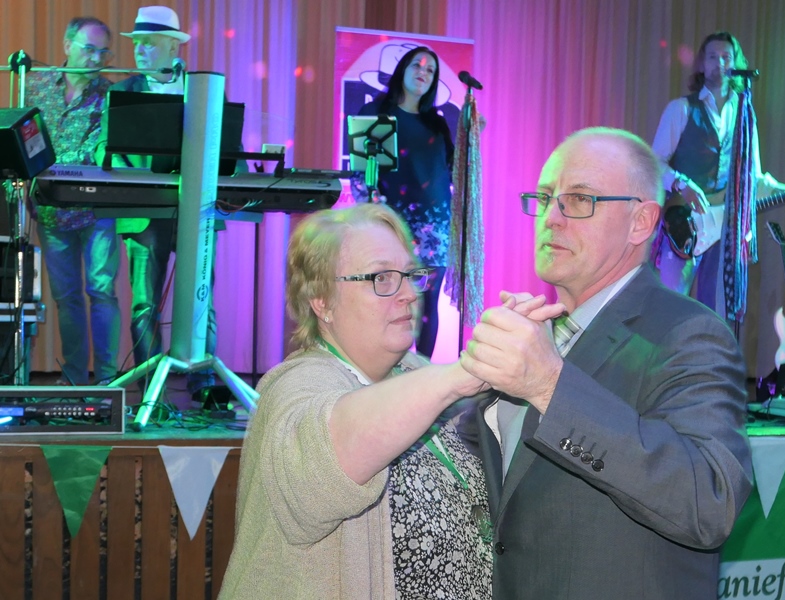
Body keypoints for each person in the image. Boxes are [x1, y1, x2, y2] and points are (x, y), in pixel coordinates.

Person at [459, 127, 753, 599]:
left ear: (641, 222)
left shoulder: (689, 333)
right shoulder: (539, 333)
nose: (552, 218)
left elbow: (709, 503)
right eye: (545, 197)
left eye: (580, 200)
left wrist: (549, 385)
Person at [218, 203, 492, 599]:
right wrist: (459, 375)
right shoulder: (295, 383)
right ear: (322, 301)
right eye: (382, 278)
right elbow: (323, 468)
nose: (408, 294)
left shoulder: (412, 371)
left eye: (410, 275)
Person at [94, 6, 217, 403]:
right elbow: (104, 147)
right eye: (138, 43)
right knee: (146, 303)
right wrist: (120, 167)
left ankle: (204, 386)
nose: (140, 50)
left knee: (201, 299)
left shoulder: (202, 87)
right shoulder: (124, 91)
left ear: (172, 47)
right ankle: (151, 388)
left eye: (149, 43)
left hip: (196, 210)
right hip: (144, 211)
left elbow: (222, 143)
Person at [652, 31, 785, 314]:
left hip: (722, 229)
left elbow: (754, 177)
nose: (719, 63)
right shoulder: (681, 109)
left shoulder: (744, 116)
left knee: (713, 313)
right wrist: (682, 184)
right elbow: (653, 162)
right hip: (682, 224)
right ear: (702, 64)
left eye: (726, 57)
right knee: (669, 309)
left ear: (736, 63)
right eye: (712, 57)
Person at [27, 16, 120, 385]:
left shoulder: (110, 94)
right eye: (89, 49)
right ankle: (75, 377)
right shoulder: (36, 86)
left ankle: (109, 382)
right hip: (51, 211)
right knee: (66, 298)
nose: (95, 58)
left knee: (102, 292)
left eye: (103, 52)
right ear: (67, 46)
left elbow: (105, 152)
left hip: (97, 209)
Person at [355, 46, 454, 358]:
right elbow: (360, 174)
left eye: (430, 70)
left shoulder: (437, 123)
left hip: (434, 227)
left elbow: (452, 172)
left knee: (427, 303)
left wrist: (474, 138)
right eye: (417, 65)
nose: (423, 73)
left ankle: (422, 373)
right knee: (386, 297)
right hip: (391, 223)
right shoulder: (375, 112)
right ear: (402, 70)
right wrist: (372, 213)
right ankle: (381, 371)